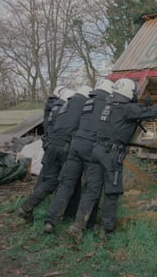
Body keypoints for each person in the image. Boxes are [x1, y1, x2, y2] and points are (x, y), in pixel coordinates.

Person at [67, 78, 157, 243]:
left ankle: (77, 226)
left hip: (97, 151)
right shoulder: (127, 108)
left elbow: (126, 115)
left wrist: (141, 105)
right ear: (128, 92)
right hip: (111, 155)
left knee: (91, 191)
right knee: (111, 194)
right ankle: (106, 233)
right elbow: (151, 114)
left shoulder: (109, 105)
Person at [43, 79, 114, 234]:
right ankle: (84, 224)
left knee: (66, 184)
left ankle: (50, 220)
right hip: (91, 147)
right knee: (92, 187)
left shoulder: (88, 102)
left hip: (75, 145)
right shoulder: (107, 103)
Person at [17, 85, 90, 222]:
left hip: (51, 146)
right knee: (68, 182)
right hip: (65, 148)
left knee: (50, 181)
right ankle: (61, 216)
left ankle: (26, 207)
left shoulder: (60, 108)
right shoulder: (79, 108)